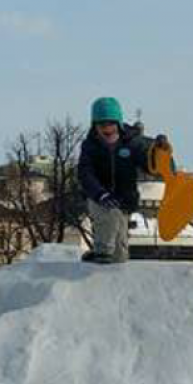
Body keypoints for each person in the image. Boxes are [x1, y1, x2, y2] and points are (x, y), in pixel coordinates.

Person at [78, 97, 170, 264]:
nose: (107, 130)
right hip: (99, 197)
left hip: (124, 200)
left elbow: (149, 164)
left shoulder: (132, 144)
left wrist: (159, 152)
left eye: (111, 125)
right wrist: (99, 194)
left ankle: (108, 257)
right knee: (109, 216)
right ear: (94, 126)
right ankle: (102, 252)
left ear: (119, 125)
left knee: (119, 253)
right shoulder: (90, 146)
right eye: (102, 125)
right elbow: (85, 173)